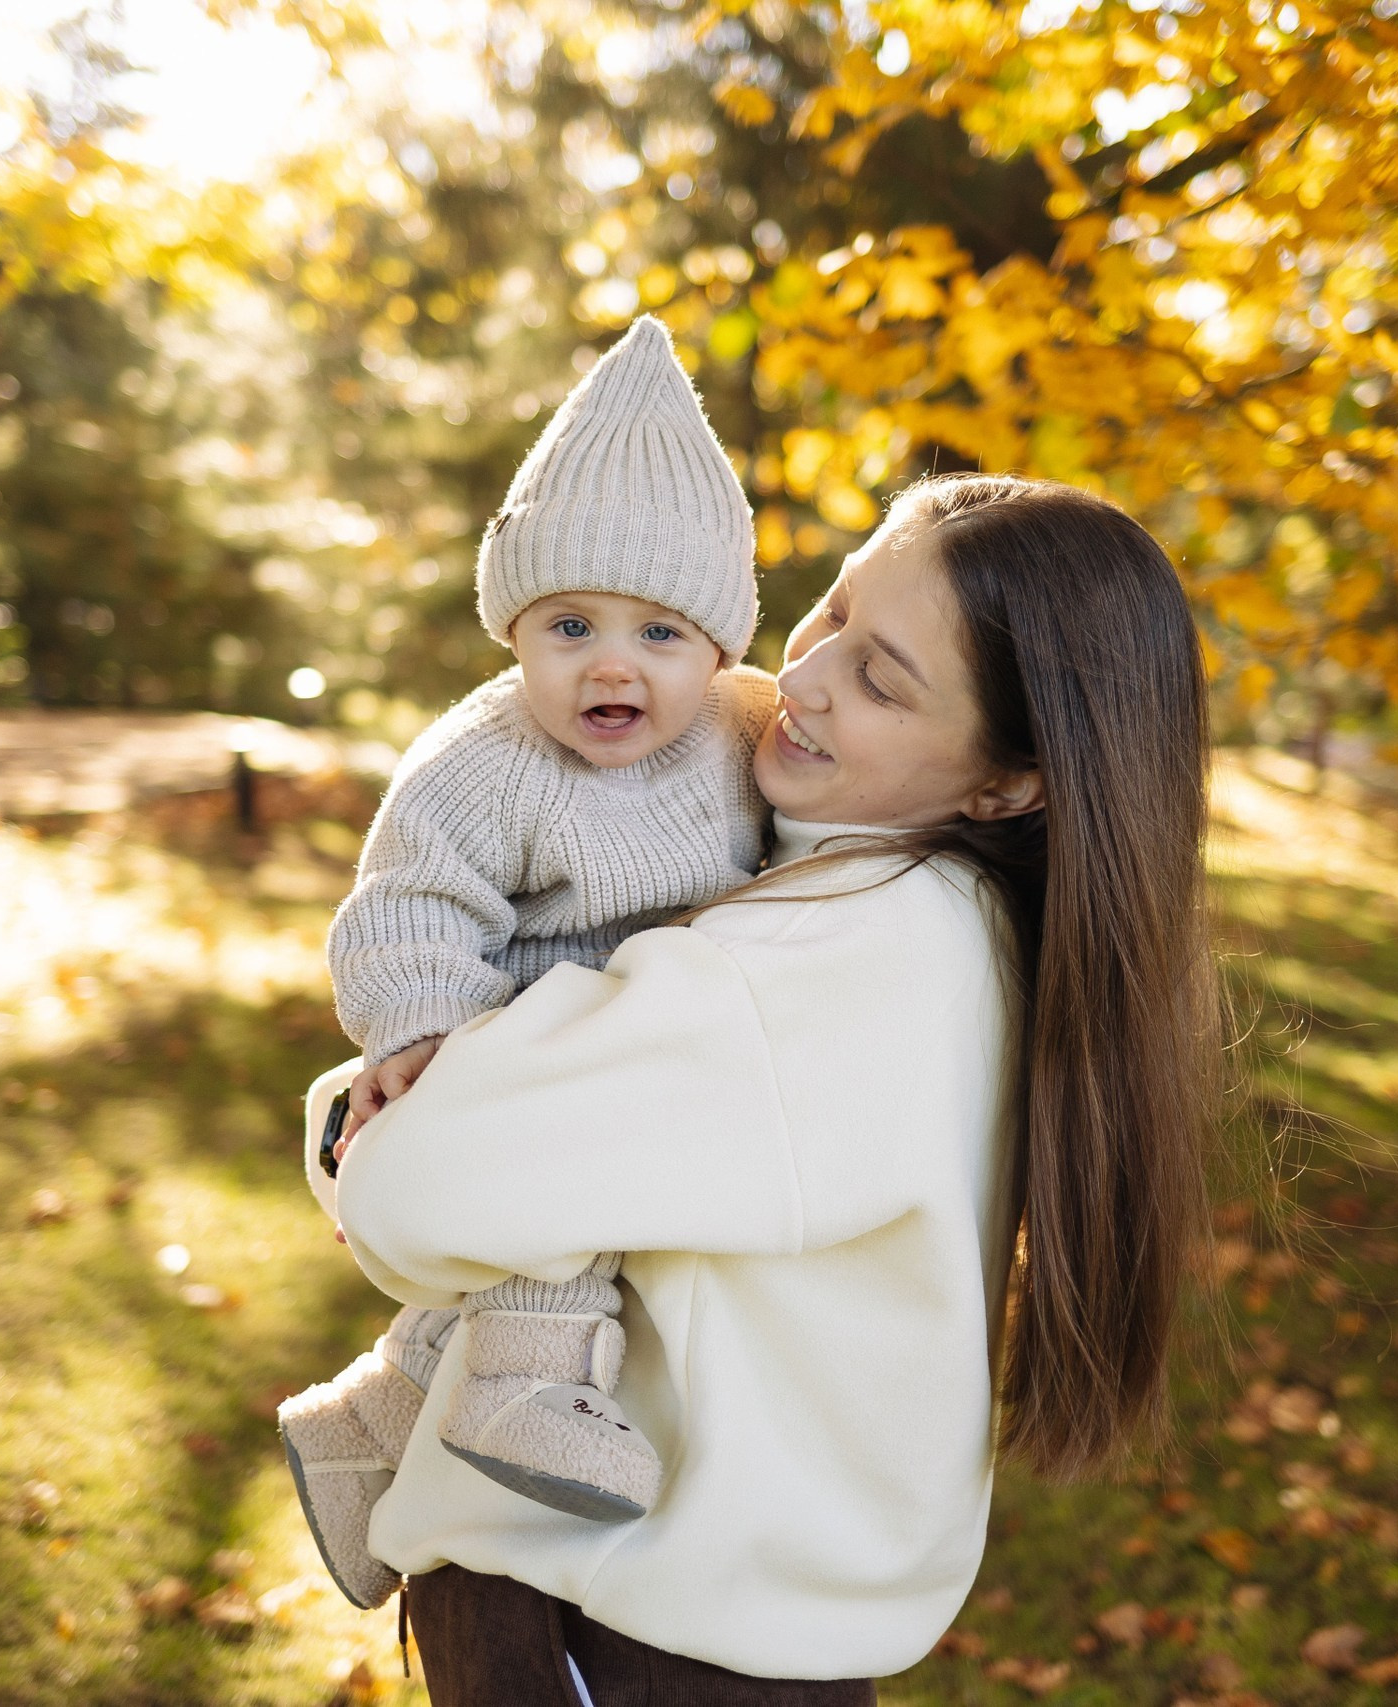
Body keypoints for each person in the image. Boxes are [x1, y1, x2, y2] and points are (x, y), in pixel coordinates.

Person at [315, 473, 1221, 1702]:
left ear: (1009, 783)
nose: (804, 677)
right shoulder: (959, 921)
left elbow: (415, 1187)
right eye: (837, 610)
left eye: (882, 677)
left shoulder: (823, 964)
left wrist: (345, 1117)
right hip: (707, 1625)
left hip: (618, 1623)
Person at [277, 315, 777, 1611]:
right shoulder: (486, 759)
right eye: (570, 623)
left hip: (649, 1024)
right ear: (513, 628)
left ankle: (366, 1429)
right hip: (514, 1025)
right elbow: (403, 905)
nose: (612, 661)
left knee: (623, 1160)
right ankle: (525, 1385)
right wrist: (423, 1032)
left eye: (661, 632)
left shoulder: (741, 730)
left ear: (718, 643)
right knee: (570, 1181)